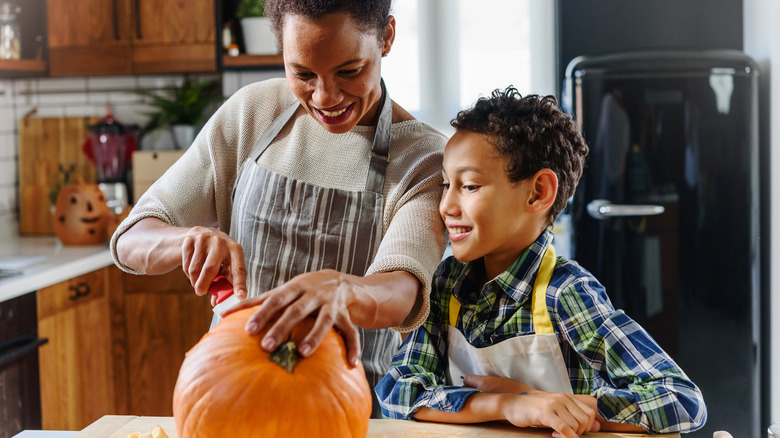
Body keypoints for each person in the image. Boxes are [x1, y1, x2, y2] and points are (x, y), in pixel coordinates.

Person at [111, 0, 447, 417]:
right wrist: (185, 241)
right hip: (227, 394)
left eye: (349, 71)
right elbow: (131, 238)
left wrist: (344, 288)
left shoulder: (424, 158)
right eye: (302, 73)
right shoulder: (252, 113)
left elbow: (403, 290)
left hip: (348, 407)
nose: (325, 96)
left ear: (387, 38)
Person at [375, 87, 707, 436]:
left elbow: (680, 399)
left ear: (538, 193)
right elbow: (398, 392)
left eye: (469, 186)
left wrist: (550, 403)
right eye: (446, 184)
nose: (446, 206)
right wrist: (511, 404)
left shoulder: (565, 291)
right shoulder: (448, 284)